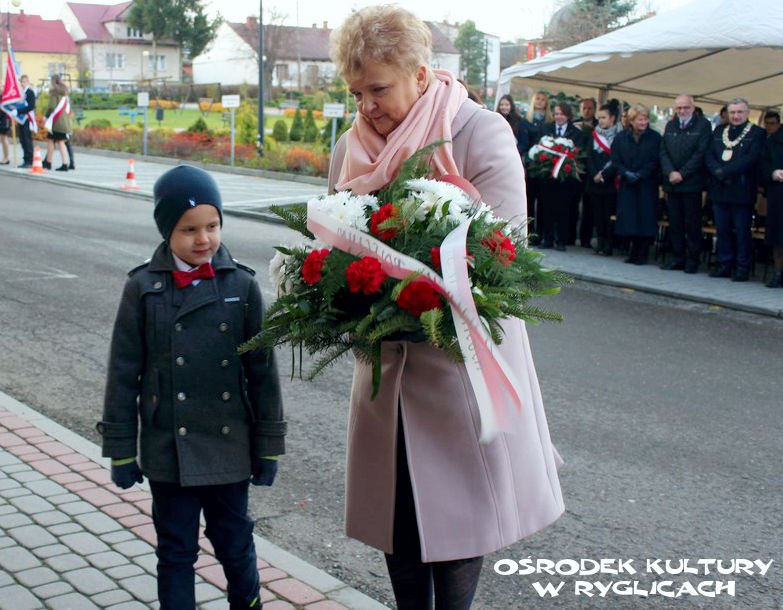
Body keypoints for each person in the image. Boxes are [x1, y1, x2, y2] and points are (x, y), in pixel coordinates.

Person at [328, 7, 564, 608]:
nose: (366, 106)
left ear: (420, 73)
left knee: (459, 521)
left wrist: (422, 287)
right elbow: (330, 243)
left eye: (378, 89)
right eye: (356, 93)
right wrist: (342, 294)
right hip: (386, 368)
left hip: (459, 364)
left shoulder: (478, 132)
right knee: (398, 518)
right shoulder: (351, 146)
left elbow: (506, 255)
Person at [97, 165, 286, 610]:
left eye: (212, 226)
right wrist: (121, 450)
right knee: (175, 552)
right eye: (189, 229)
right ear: (167, 230)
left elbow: (263, 373)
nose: (204, 239)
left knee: (235, 544)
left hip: (228, 448)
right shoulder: (143, 287)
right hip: (168, 449)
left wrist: (269, 446)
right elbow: (123, 373)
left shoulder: (241, 285)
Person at [705, 98, 766, 281]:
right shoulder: (719, 131)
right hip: (720, 189)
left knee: (741, 231)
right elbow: (709, 154)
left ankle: (742, 267)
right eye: (732, 112)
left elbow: (751, 158)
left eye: (740, 112)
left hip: (742, 190)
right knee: (722, 230)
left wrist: (725, 171)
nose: (736, 116)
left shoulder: (757, 133)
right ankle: (724, 264)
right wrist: (716, 170)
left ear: (747, 113)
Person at [660, 94, 712, 273]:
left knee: (692, 224)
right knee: (675, 223)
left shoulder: (703, 125)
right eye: (679, 108)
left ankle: (692, 260)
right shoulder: (671, 125)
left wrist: (682, 173)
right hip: (672, 183)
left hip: (691, 183)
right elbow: (663, 151)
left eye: (686, 108)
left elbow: (701, 153)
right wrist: (670, 172)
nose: (682, 111)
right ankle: (677, 257)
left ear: (693, 108)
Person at [611, 103, 662, 265]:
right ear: (632, 120)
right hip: (628, 183)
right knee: (630, 219)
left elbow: (655, 160)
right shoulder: (621, 137)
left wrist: (641, 174)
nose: (643, 123)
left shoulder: (655, 137)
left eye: (646, 119)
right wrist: (625, 173)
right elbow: (615, 159)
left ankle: (643, 253)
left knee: (645, 218)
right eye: (640, 120)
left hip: (647, 184)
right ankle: (633, 252)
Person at [540, 101, 583, 249]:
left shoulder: (576, 133)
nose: (559, 117)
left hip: (566, 179)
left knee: (563, 209)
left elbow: (578, 154)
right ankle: (547, 239)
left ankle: (561, 241)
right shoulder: (546, 129)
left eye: (562, 114)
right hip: (548, 177)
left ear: (568, 116)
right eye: (556, 114)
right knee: (547, 208)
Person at [586, 100, 622, 256]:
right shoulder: (594, 135)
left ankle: (608, 244)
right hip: (595, 182)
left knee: (608, 214)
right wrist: (594, 173)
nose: (600, 121)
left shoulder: (619, 136)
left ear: (612, 118)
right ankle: (599, 242)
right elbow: (589, 156)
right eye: (599, 117)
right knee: (597, 214)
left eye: (604, 117)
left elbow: (618, 159)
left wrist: (604, 175)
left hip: (610, 182)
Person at [521, 90, 553, 240]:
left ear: (547, 103)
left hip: (545, 167)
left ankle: (540, 233)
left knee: (543, 202)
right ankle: (529, 233)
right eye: (537, 99)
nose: (540, 101)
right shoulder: (526, 121)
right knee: (529, 200)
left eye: (543, 99)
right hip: (530, 165)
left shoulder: (549, 123)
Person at [762, 119, 783, 287]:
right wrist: (772, 173)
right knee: (778, 236)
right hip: (778, 194)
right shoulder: (775, 140)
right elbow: (763, 163)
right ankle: (778, 273)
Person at [575, 97, 598, 248]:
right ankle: (570, 236)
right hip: (576, 170)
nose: (586, 111)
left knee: (589, 207)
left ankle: (586, 238)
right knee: (573, 204)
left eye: (589, 108)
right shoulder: (574, 123)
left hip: (591, 171)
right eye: (584, 108)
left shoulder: (598, 125)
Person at [44, 75, 72, 171]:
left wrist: (46, 115)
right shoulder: (65, 93)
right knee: (61, 142)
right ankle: (65, 163)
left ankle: (48, 162)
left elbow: (52, 107)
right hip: (64, 122)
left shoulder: (54, 93)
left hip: (56, 122)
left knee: (51, 141)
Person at [497, 93, 528, 159]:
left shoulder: (519, 121)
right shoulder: (495, 119)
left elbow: (523, 142)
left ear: (511, 106)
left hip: (513, 155)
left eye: (507, 105)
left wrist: (514, 152)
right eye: (501, 105)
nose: (504, 107)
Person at [16, 75, 36, 168]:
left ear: (27, 82)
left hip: (27, 118)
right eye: (21, 82)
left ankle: (29, 160)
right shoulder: (21, 93)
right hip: (21, 118)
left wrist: (19, 111)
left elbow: (31, 106)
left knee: (27, 139)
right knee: (22, 139)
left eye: (24, 81)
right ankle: (25, 159)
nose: (22, 83)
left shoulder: (30, 92)